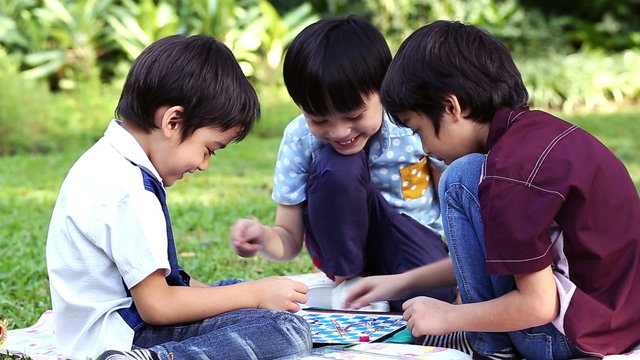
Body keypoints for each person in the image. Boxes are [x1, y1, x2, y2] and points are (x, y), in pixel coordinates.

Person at [344, 20, 640, 359]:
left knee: (461, 178)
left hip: (571, 336)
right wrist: (397, 283)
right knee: (468, 176)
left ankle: (492, 349)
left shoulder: (507, 173)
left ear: (452, 107)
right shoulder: (538, 137)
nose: (424, 147)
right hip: (617, 324)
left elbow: (538, 304)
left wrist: (450, 317)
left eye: (418, 129)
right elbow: (503, 257)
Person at [45, 34, 312, 360]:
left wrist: (248, 293)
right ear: (173, 121)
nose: (203, 165)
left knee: (240, 290)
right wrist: (254, 294)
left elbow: (172, 285)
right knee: (286, 329)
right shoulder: (129, 189)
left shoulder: (111, 163)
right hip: (122, 337)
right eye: (208, 149)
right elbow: (157, 305)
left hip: (111, 326)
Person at [230, 16, 456, 312]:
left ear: (383, 91)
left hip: (412, 243)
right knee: (338, 165)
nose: (339, 132)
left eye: (353, 116)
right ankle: (348, 284)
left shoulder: (413, 127)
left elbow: (454, 204)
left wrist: (463, 270)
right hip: (343, 260)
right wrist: (263, 238)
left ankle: (388, 293)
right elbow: (288, 240)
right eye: (319, 119)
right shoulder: (300, 139)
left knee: (431, 297)